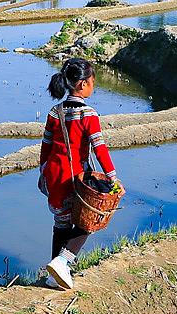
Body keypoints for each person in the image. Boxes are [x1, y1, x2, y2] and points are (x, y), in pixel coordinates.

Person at [39, 57, 118, 290]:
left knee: (61, 224)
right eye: (93, 81)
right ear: (83, 84)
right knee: (91, 220)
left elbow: (46, 146)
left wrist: (44, 171)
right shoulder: (88, 114)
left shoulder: (55, 111)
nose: (94, 85)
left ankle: (53, 275)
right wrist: (112, 177)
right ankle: (63, 261)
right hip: (74, 176)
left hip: (53, 174)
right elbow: (99, 147)